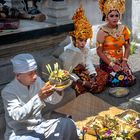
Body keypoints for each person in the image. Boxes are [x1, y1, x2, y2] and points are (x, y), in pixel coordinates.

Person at [1, 53, 78, 140]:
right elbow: (18, 116)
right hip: (19, 133)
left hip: (40, 126)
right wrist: (39, 97)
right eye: (30, 73)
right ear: (18, 75)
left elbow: (53, 100)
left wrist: (58, 89)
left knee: (68, 124)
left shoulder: (37, 81)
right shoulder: (8, 92)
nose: (35, 76)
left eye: (35, 72)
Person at [59, 6, 108, 96]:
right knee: (80, 89)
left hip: (85, 72)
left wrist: (92, 75)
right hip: (74, 76)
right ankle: (90, 87)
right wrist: (83, 82)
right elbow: (67, 72)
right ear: (73, 39)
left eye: (85, 40)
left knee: (104, 75)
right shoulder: (68, 51)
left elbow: (88, 62)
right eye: (81, 40)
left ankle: (92, 86)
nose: (83, 43)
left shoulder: (86, 49)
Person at [96, 0, 136, 87]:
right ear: (106, 17)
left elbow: (127, 47)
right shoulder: (102, 31)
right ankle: (105, 74)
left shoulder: (124, 29)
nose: (114, 18)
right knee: (117, 80)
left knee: (130, 79)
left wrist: (124, 61)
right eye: (111, 16)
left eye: (116, 15)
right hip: (107, 62)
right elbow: (99, 52)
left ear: (119, 16)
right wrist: (112, 65)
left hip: (120, 61)